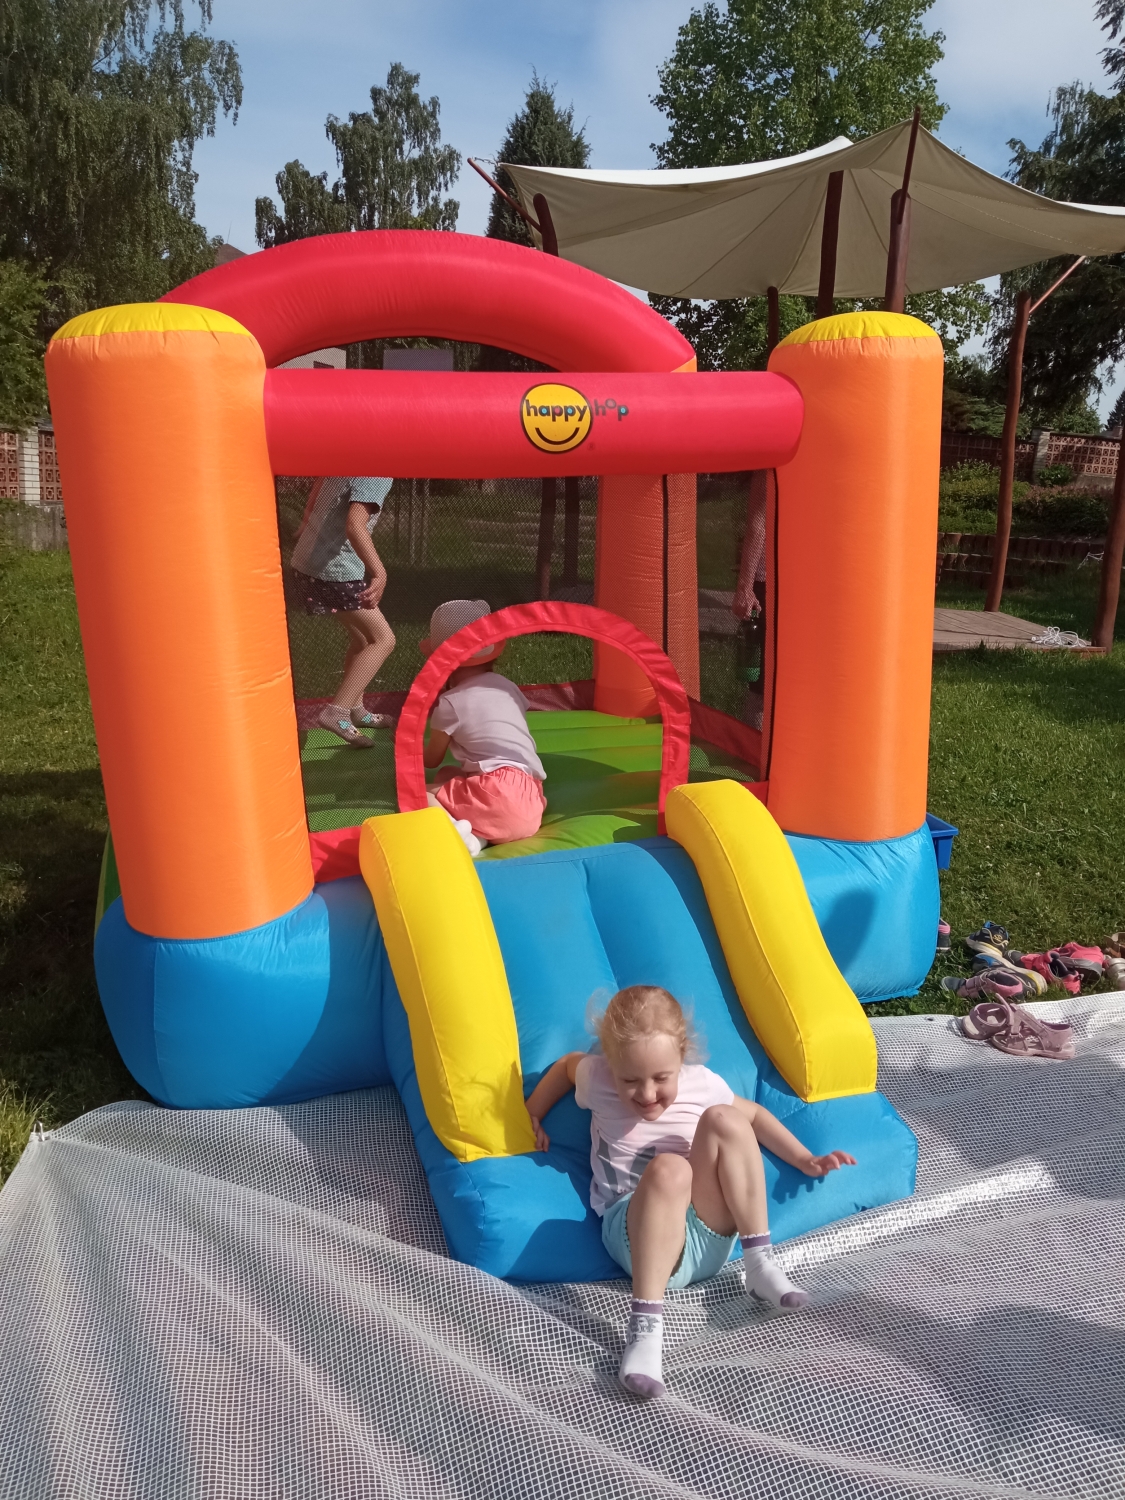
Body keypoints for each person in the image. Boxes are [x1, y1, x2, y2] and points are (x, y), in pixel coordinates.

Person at [524, 985, 857, 1401]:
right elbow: (564, 1068)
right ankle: (645, 1333)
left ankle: (759, 1264)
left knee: (726, 1119)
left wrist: (804, 1158)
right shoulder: (597, 1077)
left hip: (706, 1238)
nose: (647, 1094)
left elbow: (754, 1116)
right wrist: (533, 1112)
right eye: (630, 1080)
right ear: (610, 1062)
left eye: (661, 1078)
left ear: (682, 1057)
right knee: (672, 1168)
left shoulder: (702, 1084)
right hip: (635, 1237)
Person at [421, 599, 547, 854]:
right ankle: (480, 835)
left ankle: (455, 830)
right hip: (531, 799)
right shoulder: (506, 686)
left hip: (495, 794)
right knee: (449, 774)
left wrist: (406, 747)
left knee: (420, 794)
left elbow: (431, 760)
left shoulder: (450, 703)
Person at [290, 476, 397, 747]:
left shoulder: (348, 460)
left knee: (362, 639)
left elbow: (318, 487)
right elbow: (355, 525)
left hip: (308, 565)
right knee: (383, 639)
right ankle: (336, 712)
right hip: (333, 571)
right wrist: (379, 572)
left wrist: (307, 521)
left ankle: (355, 710)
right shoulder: (378, 470)